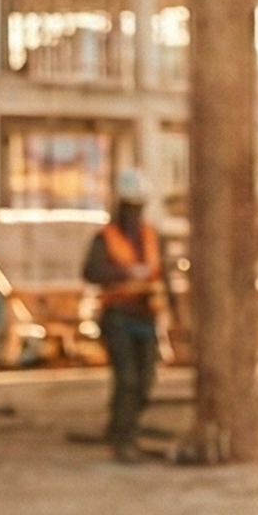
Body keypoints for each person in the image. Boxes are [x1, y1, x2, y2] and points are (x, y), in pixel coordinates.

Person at [82, 168, 162, 463]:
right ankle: (122, 438)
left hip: (146, 314)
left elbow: (161, 272)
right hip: (118, 315)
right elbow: (91, 271)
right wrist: (125, 272)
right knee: (126, 378)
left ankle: (125, 427)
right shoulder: (106, 238)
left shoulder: (151, 236)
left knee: (145, 381)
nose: (135, 213)